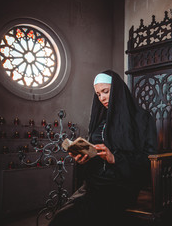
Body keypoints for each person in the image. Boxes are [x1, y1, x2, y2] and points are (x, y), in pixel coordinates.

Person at [49, 70, 157, 226]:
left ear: (118, 91)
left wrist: (114, 158)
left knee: (73, 218)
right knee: (60, 218)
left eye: (105, 92)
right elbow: (94, 155)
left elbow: (149, 160)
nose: (102, 98)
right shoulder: (100, 120)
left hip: (121, 184)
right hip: (94, 183)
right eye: (98, 94)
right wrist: (83, 158)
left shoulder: (142, 118)